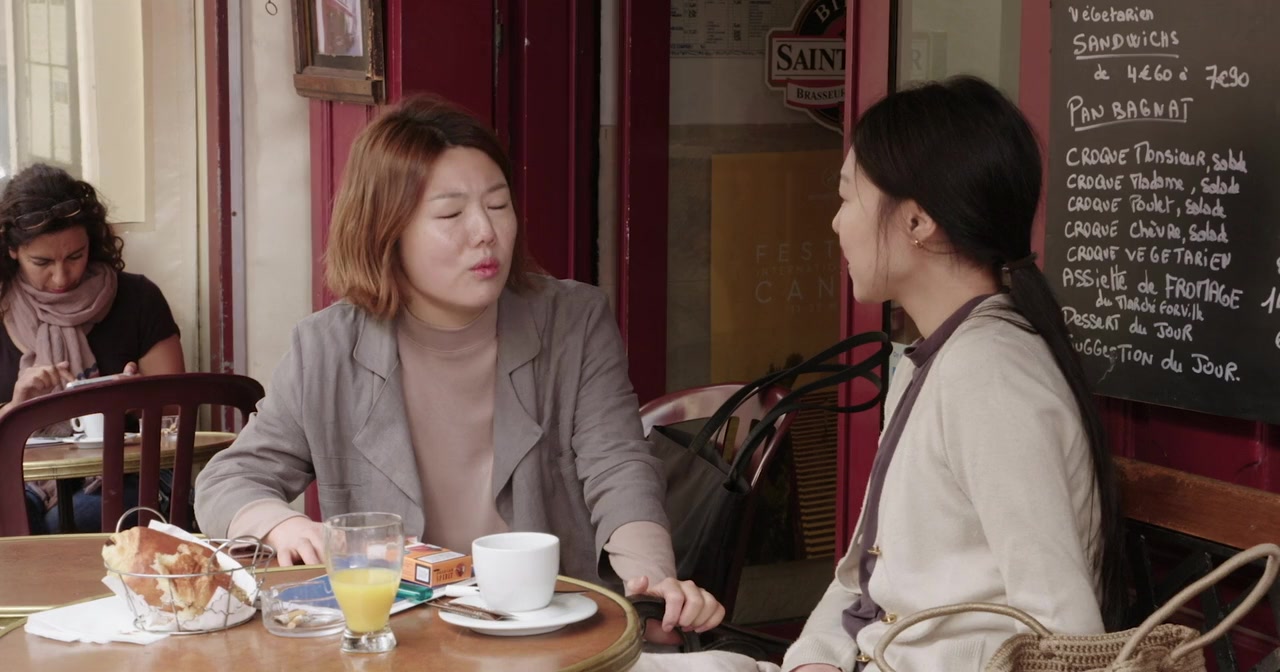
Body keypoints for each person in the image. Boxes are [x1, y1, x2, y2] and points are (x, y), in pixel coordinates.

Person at [638, 76, 1125, 672]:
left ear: (917, 222)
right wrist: (815, 657)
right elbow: (865, 579)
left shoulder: (991, 376)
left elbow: (1066, 632)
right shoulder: (939, 357)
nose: (836, 223)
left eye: (847, 198)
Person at [194, 96, 724, 639]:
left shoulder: (573, 322)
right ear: (386, 232)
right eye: (451, 215)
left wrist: (651, 580)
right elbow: (228, 480)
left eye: (498, 204)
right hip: (398, 641)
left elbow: (618, 465)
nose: (485, 231)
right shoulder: (325, 349)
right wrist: (281, 524)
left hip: (544, 634)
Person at [0, 164, 185, 533]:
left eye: (75, 256)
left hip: (122, 477)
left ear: (93, 242)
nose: (61, 276)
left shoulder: (137, 299)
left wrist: (134, 399)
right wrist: (17, 410)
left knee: (74, 519)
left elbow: (178, 412)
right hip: (19, 478)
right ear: (12, 250)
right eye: (42, 262)